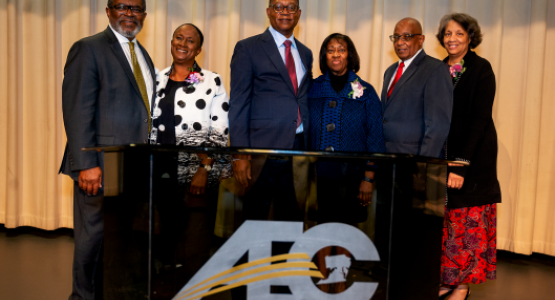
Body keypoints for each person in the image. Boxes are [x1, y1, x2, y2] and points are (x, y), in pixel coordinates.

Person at [58, 0, 155, 299]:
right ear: (108, 11)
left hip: (131, 166)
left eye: (136, 8)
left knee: (119, 241)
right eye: (121, 7)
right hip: (98, 165)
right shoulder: (89, 48)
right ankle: (82, 297)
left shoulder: (143, 53)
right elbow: (77, 110)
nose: (129, 13)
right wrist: (86, 162)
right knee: (93, 239)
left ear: (144, 15)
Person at [148, 23, 230, 290]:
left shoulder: (211, 80)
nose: (183, 44)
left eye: (190, 40)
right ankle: (163, 287)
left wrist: (204, 168)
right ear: (171, 41)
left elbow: (219, 130)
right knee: (163, 235)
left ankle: (192, 290)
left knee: (195, 237)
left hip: (197, 171)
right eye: (178, 38)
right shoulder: (155, 78)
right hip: (158, 168)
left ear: (199, 48)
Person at [308, 33, 385, 293]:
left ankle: (338, 278)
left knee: (344, 227)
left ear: (350, 55)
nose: (336, 54)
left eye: (341, 49)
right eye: (331, 50)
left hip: (352, 174)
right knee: (321, 225)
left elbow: (375, 137)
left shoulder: (366, 91)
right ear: (324, 56)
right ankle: (321, 276)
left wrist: (368, 177)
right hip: (318, 173)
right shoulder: (313, 88)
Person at [229, 0, 313, 221]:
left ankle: (286, 258)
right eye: (278, 6)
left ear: (299, 13)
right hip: (260, 152)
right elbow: (238, 103)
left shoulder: (305, 53)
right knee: (254, 220)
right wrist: (240, 155)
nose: (285, 11)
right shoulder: (248, 48)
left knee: (291, 219)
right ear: (268, 12)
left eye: (291, 7)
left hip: (298, 150)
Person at [436, 13, 501, 300]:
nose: (452, 39)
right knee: (448, 225)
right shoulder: (437, 69)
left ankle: (462, 286)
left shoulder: (480, 68)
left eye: (459, 34)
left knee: (468, 225)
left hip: (472, 163)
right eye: (448, 34)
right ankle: (448, 280)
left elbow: (479, 120)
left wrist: (460, 166)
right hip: (441, 161)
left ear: (470, 37)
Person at [381, 17, 453, 158]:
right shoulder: (390, 71)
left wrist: (423, 164)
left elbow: (437, 126)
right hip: (385, 160)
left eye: (406, 37)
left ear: (421, 39)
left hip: (414, 161)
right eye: (396, 37)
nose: (400, 42)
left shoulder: (435, 69)